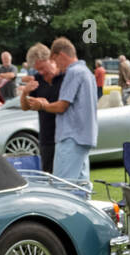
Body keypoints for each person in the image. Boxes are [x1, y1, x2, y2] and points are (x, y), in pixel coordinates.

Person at [25, 36, 98, 186]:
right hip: (85, 137)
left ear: (61, 55)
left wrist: (43, 105)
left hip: (70, 137)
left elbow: (62, 106)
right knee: (82, 187)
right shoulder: (87, 72)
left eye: (55, 61)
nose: (57, 66)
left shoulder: (73, 72)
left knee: (61, 187)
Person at [21, 43, 63, 172]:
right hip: (46, 138)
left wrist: (44, 105)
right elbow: (26, 107)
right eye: (37, 70)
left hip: (65, 136)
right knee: (48, 177)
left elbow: (63, 106)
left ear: (51, 60)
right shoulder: (38, 79)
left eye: (43, 68)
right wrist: (25, 93)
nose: (41, 72)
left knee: (68, 179)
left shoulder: (65, 77)